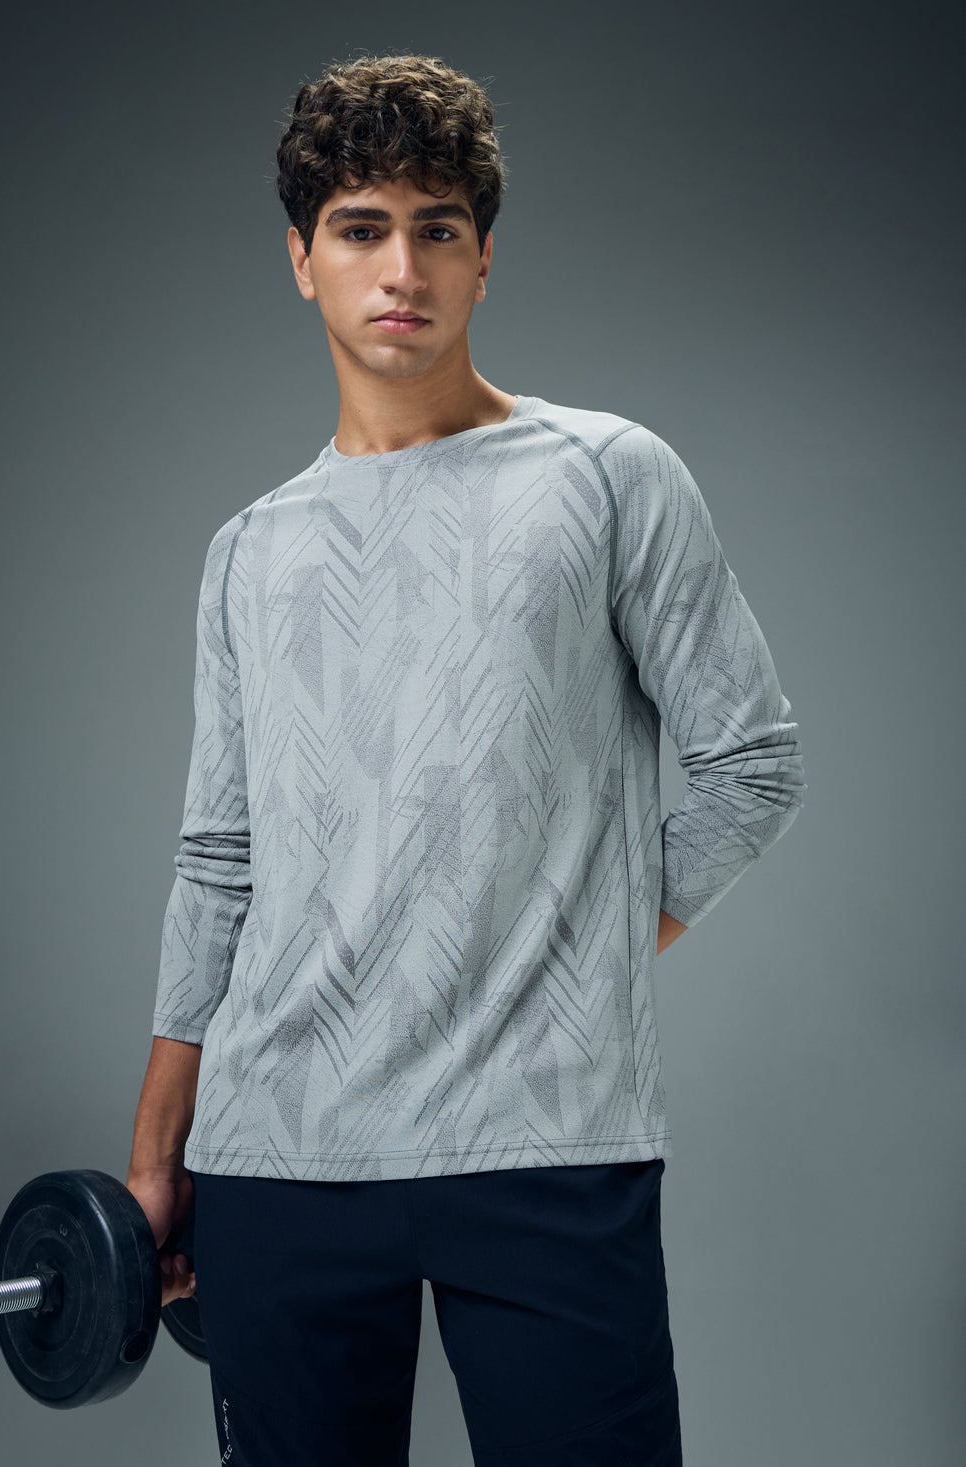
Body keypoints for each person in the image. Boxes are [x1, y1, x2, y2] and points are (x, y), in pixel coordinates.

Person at [126, 52, 805, 1466]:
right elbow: (220, 859)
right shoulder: (250, 552)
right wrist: (156, 1156)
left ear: (485, 256)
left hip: (545, 1144)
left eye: (437, 228)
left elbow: (751, 762)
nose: (402, 269)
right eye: (361, 228)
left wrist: (583, 942)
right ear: (301, 259)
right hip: (281, 1153)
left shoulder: (606, 476)